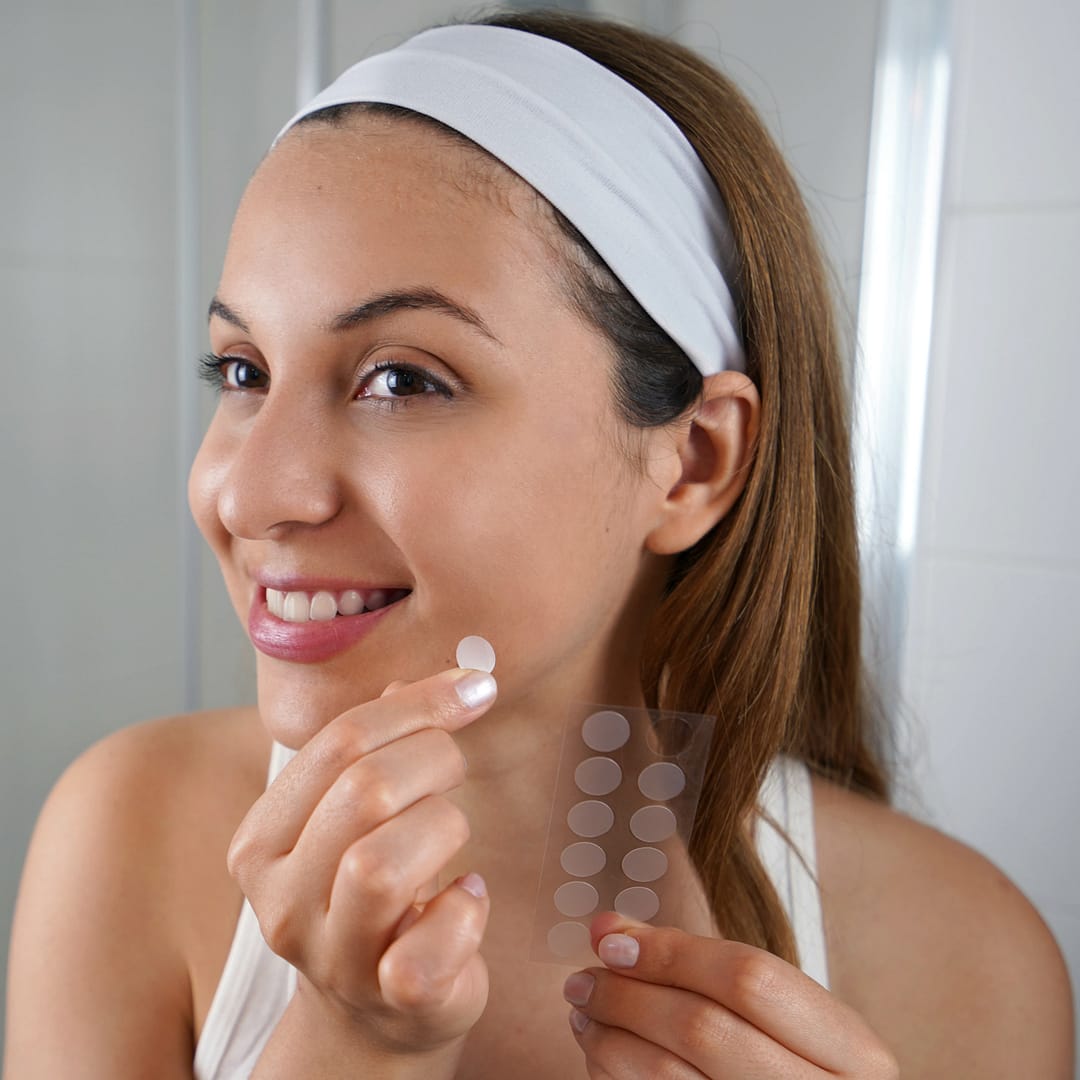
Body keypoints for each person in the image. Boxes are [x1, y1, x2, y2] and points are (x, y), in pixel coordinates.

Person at [4, 10, 1073, 1079]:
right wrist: (348, 1046)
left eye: (402, 380)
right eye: (243, 371)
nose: (248, 493)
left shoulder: (960, 957)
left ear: (694, 462)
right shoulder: (133, 836)